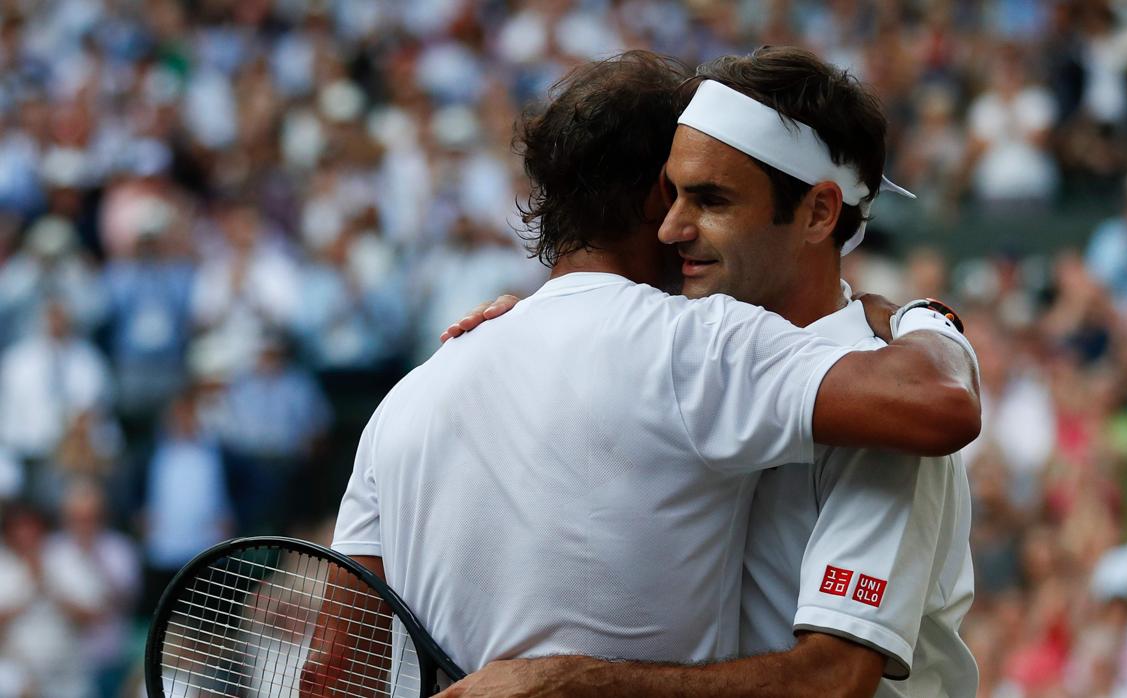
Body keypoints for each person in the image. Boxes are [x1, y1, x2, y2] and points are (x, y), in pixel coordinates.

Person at [318, 50, 979, 694]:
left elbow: (833, 681)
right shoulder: (695, 353)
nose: (673, 228)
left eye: (710, 198)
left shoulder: (871, 396)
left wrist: (925, 317)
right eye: (672, 196)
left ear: (818, 212)